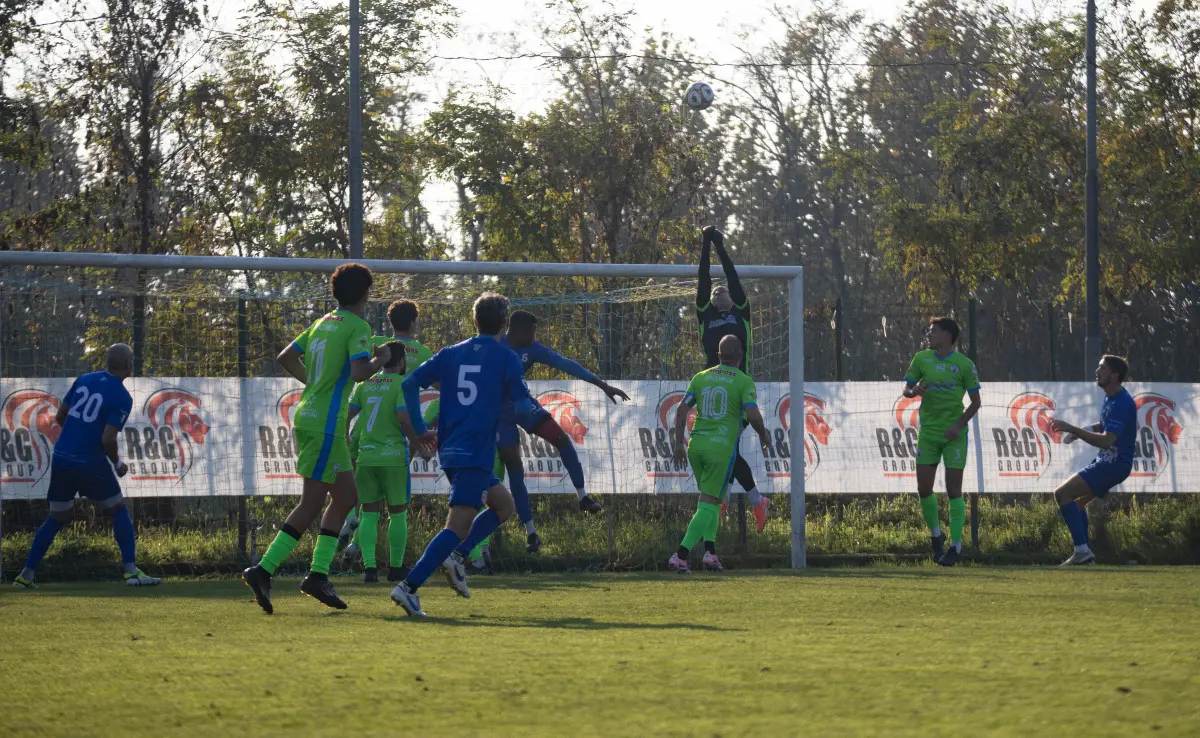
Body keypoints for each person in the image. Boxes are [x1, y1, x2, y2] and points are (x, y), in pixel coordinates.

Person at [242, 263, 391, 614]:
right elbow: (358, 372)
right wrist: (381, 360)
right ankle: (263, 571)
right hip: (324, 422)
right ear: (365, 295)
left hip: (316, 416)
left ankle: (317, 576)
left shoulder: (323, 322)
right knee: (312, 503)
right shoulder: (358, 325)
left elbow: (285, 357)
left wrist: (315, 384)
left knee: (346, 496)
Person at [391, 292, 532, 617]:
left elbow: (410, 384)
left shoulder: (450, 353)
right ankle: (409, 587)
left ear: (474, 321)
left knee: (504, 505)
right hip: (475, 451)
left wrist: (419, 428)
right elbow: (524, 407)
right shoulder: (506, 357)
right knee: (456, 527)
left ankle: (456, 557)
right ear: (506, 324)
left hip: (453, 449)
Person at [13, 344, 160, 588]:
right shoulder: (121, 396)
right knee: (118, 509)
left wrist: (76, 435)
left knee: (57, 516)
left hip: (61, 456)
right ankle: (132, 572)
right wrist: (117, 463)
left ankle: (25, 575)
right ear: (128, 365)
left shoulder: (84, 379)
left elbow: (60, 416)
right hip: (89, 461)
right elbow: (108, 439)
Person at [500, 309, 629, 552]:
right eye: (532, 331)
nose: (535, 336)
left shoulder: (533, 349)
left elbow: (566, 364)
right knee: (514, 468)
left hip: (525, 405)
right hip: (498, 415)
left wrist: (601, 384)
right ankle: (531, 533)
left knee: (561, 438)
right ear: (516, 330)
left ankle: (582, 497)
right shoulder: (495, 346)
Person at [342, 300, 436, 569]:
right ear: (414, 322)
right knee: (396, 510)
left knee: (363, 502)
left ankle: (354, 534)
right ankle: (391, 564)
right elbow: (437, 394)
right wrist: (422, 432)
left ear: (390, 321)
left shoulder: (377, 345)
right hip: (397, 440)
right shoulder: (422, 353)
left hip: (364, 438)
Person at [669, 336, 771, 573]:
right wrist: (764, 435)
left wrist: (678, 443)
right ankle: (680, 555)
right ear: (741, 356)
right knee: (709, 504)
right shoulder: (744, 381)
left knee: (713, 502)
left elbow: (682, 408)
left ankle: (710, 554)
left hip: (695, 447)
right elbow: (753, 415)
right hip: (720, 449)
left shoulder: (701, 377)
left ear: (718, 355)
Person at [696, 226, 770, 535]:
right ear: (711, 300)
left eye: (723, 289)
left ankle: (739, 499)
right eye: (715, 291)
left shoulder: (742, 313)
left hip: (738, 392)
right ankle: (741, 499)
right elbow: (703, 278)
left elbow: (732, 275)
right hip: (713, 392)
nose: (719, 290)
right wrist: (704, 245)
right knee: (725, 451)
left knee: (726, 449)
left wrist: (720, 247)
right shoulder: (706, 316)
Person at [902, 316, 982, 567]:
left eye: (934, 331)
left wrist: (958, 425)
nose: (929, 334)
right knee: (924, 489)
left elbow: (976, 402)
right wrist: (913, 392)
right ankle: (936, 536)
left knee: (953, 490)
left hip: (954, 436)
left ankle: (955, 546)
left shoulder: (965, 365)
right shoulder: (921, 359)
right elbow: (906, 389)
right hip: (928, 432)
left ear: (948, 335)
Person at [346, 341, 424, 583]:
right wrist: (419, 443)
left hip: (366, 457)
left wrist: (348, 442)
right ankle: (396, 568)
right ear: (401, 362)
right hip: (392, 458)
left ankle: (369, 569)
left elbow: (347, 415)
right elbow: (403, 417)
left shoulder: (365, 384)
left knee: (369, 513)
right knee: (397, 513)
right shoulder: (404, 384)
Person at [1048, 355, 1136, 566]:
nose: (1097, 372)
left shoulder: (1123, 403)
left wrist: (1071, 428)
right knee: (1076, 505)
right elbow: (1105, 425)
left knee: (1061, 493)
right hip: (1108, 463)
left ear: (1114, 375)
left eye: (1102, 369)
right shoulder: (1111, 397)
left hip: (1113, 465)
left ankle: (1082, 552)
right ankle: (1085, 557)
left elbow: (1107, 440)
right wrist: (1084, 431)